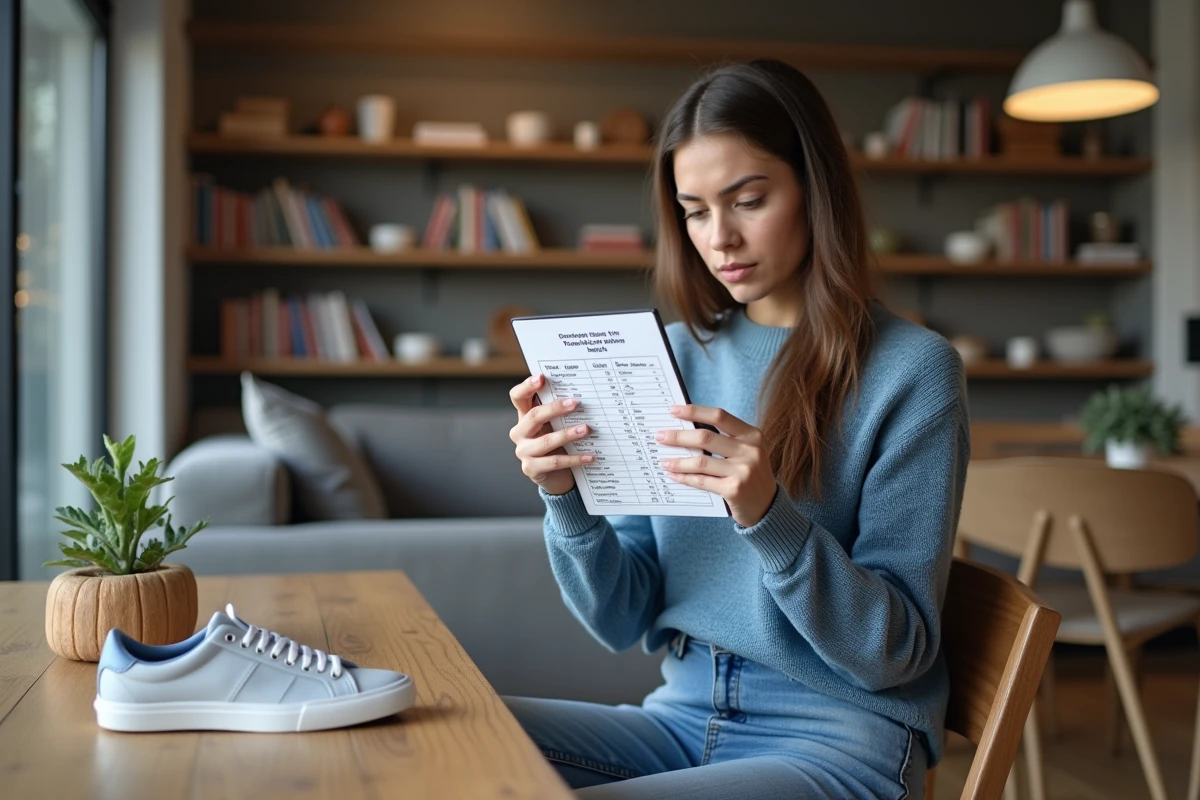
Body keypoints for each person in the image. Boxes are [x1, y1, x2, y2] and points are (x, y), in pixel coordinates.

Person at [505, 58, 969, 800]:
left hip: (841, 738)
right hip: (684, 715)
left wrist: (769, 515)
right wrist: (567, 498)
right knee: (443, 736)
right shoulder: (675, 356)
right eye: (693, 210)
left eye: (748, 199)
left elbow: (895, 653)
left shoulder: (913, 371)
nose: (719, 238)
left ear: (814, 192)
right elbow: (621, 620)